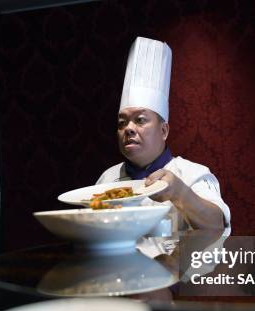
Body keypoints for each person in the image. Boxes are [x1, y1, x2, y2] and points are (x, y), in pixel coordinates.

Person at [97, 36, 231, 233]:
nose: (129, 128)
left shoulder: (193, 174)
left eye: (140, 120)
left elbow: (217, 225)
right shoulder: (107, 179)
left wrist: (179, 192)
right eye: (122, 123)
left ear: (163, 130)